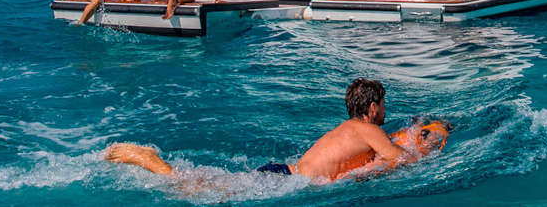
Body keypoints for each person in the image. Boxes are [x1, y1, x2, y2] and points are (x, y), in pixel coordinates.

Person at [104, 79, 448, 184]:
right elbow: (404, 160)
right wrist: (427, 145)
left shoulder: (349, 127)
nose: (385, 111)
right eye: (383, 105)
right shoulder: (368, 129)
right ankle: (153, 162)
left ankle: (159, 167)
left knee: (209, 186)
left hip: (285, 170)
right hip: (286, 182)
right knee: (191, 190)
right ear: (373, 108)